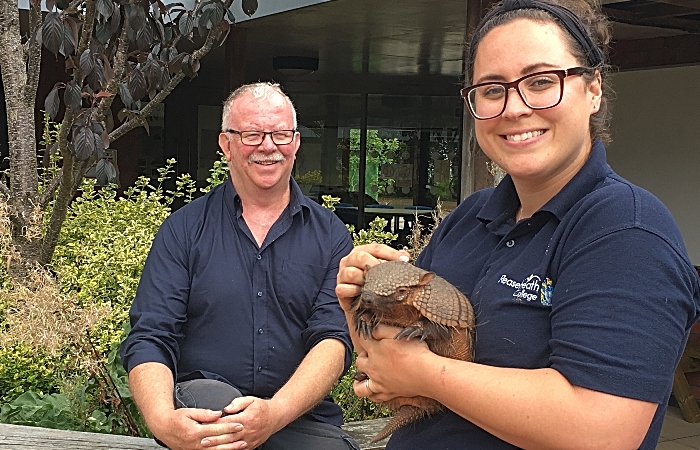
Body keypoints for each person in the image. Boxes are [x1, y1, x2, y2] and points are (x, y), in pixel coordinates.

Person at [335, 1, 700, 449]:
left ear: (594, 88)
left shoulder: (626, 231)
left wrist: (426, 373)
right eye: (492, 89)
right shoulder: (471, 216)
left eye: (541, 81)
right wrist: (359, 302)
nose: (514, 108)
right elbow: (388, 369)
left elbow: (603, 431)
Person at [121, 82, 359, 450]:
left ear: (295, 143)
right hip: (207, 415)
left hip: (294, 419)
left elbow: (333, 340)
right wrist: (163, 422)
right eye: (252, 134)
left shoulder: (331, 236)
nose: (268, 146)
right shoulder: (183, 230)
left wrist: (274, 413)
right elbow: (151, 335)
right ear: (226, 144)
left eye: (280, 134)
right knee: (217, 411)